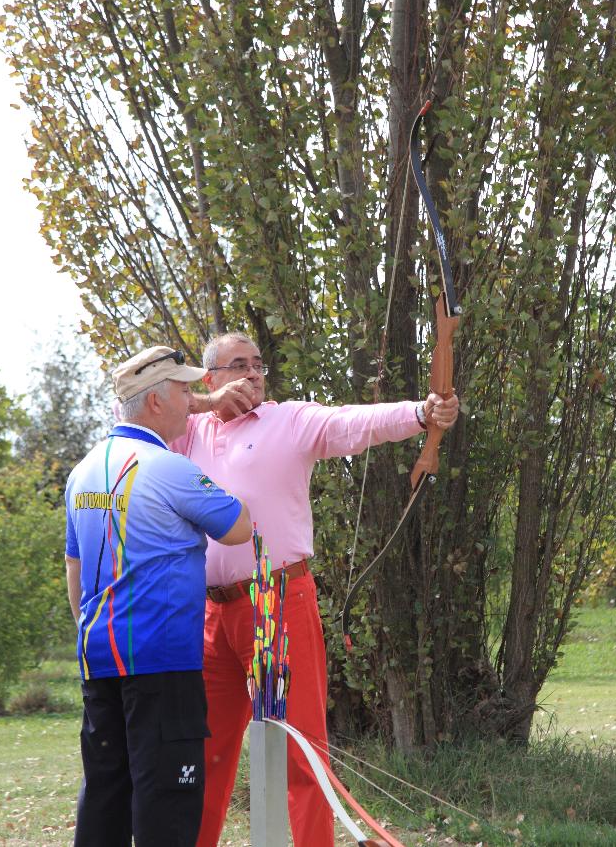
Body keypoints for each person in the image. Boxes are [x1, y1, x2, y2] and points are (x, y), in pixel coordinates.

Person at [171, 332, 459, 847]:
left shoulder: (288, 421)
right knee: (206, 754)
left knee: (301, 751)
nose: (254, 373)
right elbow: (131, 406)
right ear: (210, 377)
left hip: (276, 603)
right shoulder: (185, 429)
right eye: (239, 365)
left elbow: (353, 423)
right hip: (211, 615)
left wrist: (423, 412)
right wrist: (205, 403)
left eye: (259, 364)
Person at [65, 345, 252, 847]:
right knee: (166, 802)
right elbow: (238, 527)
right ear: (155, 404)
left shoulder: (83, 470)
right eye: (184, 390)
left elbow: (74, 568)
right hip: (162, 662)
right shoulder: (167, 467)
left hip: (99, 658)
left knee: (105, 793)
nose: (192, 400)